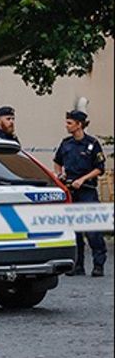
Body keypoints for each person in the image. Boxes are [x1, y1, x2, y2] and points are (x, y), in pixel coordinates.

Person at [53, 109, 106, 277]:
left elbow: (100, 168)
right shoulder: (66, 143)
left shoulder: (92, 144)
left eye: (70, 123)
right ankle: (78, 265)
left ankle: (98, 264)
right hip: (71, 190)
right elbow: (57, 161)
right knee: (74, 230)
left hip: (87, 191)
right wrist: (60, 174)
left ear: (79, 124)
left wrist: (83, 179)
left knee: (92, 230)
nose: (66, 126)